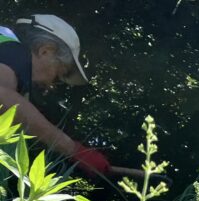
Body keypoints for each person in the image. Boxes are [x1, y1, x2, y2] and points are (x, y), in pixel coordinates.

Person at [0, 15, 134, 178]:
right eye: (58, 74)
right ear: (45, 51)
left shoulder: (5, 44)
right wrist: (74, 150)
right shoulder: (15, 52)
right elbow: (3, 96)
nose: (51, 85)